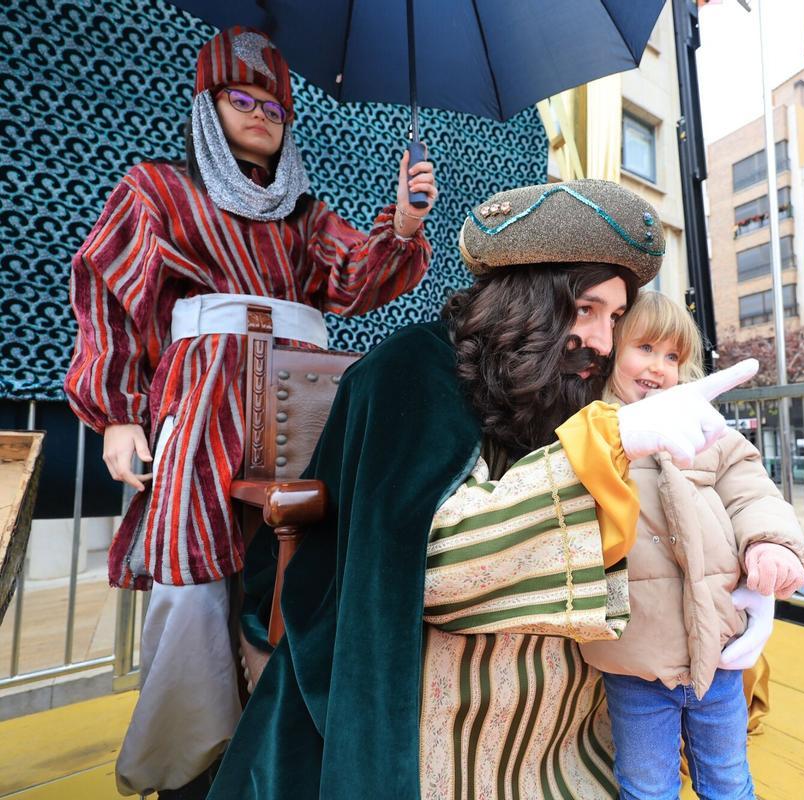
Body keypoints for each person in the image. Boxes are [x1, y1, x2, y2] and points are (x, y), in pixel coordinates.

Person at [210, 179, 763, 799]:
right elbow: (429, 569)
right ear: (528, 299)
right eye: (585, 310)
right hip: (438, 721)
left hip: (583, 727)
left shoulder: (574, 385)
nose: (604, 343)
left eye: (614, 318)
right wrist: (606, 447)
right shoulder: (413, 370)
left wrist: (737, 586)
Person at [63, 26, 437, 798]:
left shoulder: (306, 217)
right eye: (243, 97)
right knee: (192, 573)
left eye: (275, 105)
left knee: (305, 559)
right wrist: (117, 413)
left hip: (304, 402)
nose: (262, 113)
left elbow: (354, 280)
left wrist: (401, 224)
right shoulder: (157, 189)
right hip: (202, 403)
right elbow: (109, 293)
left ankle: (288, 743)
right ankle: (188, 766)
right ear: (209, 103)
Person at [579, 292, 804, 799]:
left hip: (719, 647)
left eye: (672, 356)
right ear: (612, 348)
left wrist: (770, 544)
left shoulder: (707, 428)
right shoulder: (594, 429)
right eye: (645, 348)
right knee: (647, 784)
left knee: (728, 777)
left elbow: (751, 491)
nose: (658, 367)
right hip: (636, 658)